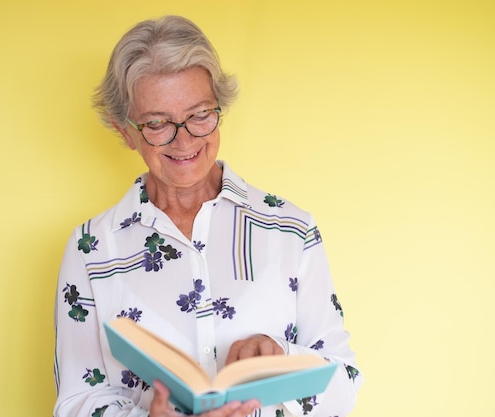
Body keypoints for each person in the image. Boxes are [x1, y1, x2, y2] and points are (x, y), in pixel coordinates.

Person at [54, 15, 362, 417]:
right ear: (125, 130)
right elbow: (77, 401)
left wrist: (280, 356)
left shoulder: (292, 229)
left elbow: (345, 385)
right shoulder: (90, 248)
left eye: (200, 114)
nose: (184, 140)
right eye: (158, 123)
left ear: (220, 106)